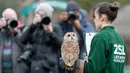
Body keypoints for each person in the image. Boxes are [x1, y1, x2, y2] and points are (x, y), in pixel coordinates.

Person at [77, 2, 126, 73]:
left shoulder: (99, 38)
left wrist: (77, 64)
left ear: (102, 17)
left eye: (95, 17)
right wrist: (92, 60)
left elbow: (93, 69)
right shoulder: (120, 39)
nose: (94, 20)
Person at [19, 3, 63, 73]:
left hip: (50, 68)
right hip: (34, 67)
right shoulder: (33, 28)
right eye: (39, 14)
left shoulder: (55, 28)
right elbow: (22, 41)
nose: (42, 17)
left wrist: (51, 33)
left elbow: (61, 45)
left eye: (44, 14)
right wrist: (33, 25)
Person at [0, 8, 28, 73]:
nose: (10, 22)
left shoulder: (23, 30)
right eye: (7, 20)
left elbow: (26, 47)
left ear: (16, 19)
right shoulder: (1, 32)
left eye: (13, 19)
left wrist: (16, 33)